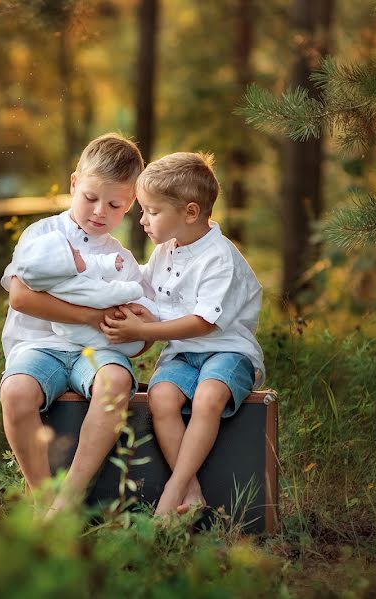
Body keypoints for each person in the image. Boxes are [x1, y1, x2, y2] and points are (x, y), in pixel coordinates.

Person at [100, 152, 265, 517]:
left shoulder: (220, 257)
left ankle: (174, 487)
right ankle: (191, 493)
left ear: (190, 213)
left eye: (152, 211)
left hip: (225, 351)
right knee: (161, 398)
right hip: (182, 355)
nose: (142, 220)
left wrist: (145, 330)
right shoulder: (166, 251)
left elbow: (203, 323)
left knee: (208, 396)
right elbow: (144, 288)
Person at [0, 132, 148, 515]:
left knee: (115, 382)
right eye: (90, 198)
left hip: (94, 351)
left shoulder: (122, 260)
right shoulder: (43, 236)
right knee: (16, 392)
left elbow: (140, 330)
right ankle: (42, 496)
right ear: (73, 184)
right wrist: (90, 316)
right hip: (39, 347)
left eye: (114, 204)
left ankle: (70, 499)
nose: (100, 211)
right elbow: (21, 297)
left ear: (130, 203)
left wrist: (134, 331)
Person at [13, 229, 157, 357]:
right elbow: (104, 294)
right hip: (88, 332)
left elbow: (90, 264)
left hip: (70, 329)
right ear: (64, 267)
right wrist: (133, 290)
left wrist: (109, 262)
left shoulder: (60, 276)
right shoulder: (73, 286)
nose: (77, 251)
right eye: (73, 255)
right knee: (110, 333)